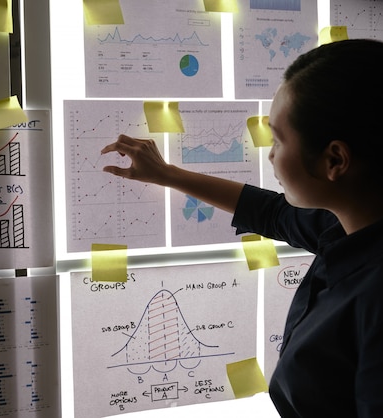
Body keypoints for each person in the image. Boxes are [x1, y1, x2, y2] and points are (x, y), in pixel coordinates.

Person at [101, 38, 383, 417]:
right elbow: (269, 212)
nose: (269, 155)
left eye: (278, 140)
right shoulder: (344, 225)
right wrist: (166, 174)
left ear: (335, 159)